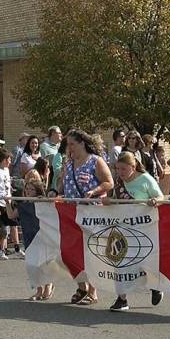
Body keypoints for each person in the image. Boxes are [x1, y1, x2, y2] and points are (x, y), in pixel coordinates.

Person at [105, 152, 164, 312]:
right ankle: (122, 298)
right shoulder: (118, 181)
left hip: (143, 230)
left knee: (144, 262)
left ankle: (155, 286)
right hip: (122, 228)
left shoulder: (145, 179)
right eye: (117, 169)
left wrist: (155, 201)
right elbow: (115, 199)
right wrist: (108, 201)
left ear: (133, 166)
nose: (120, 172)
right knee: (120, 262)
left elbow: (160, 197)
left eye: (123, 169)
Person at [59, 129, 113, 305]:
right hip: (70, 213)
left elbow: (109, 182)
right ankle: (81, 285)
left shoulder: (95, 161)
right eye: (68, 145)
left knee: (91, 252)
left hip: (91, 213)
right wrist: (54, 192)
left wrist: (95, 190)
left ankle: (92, 291)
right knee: (68, 252)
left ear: (82, 143)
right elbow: (62, 185)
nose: (70, 148)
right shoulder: (68, 164)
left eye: (72, 144)